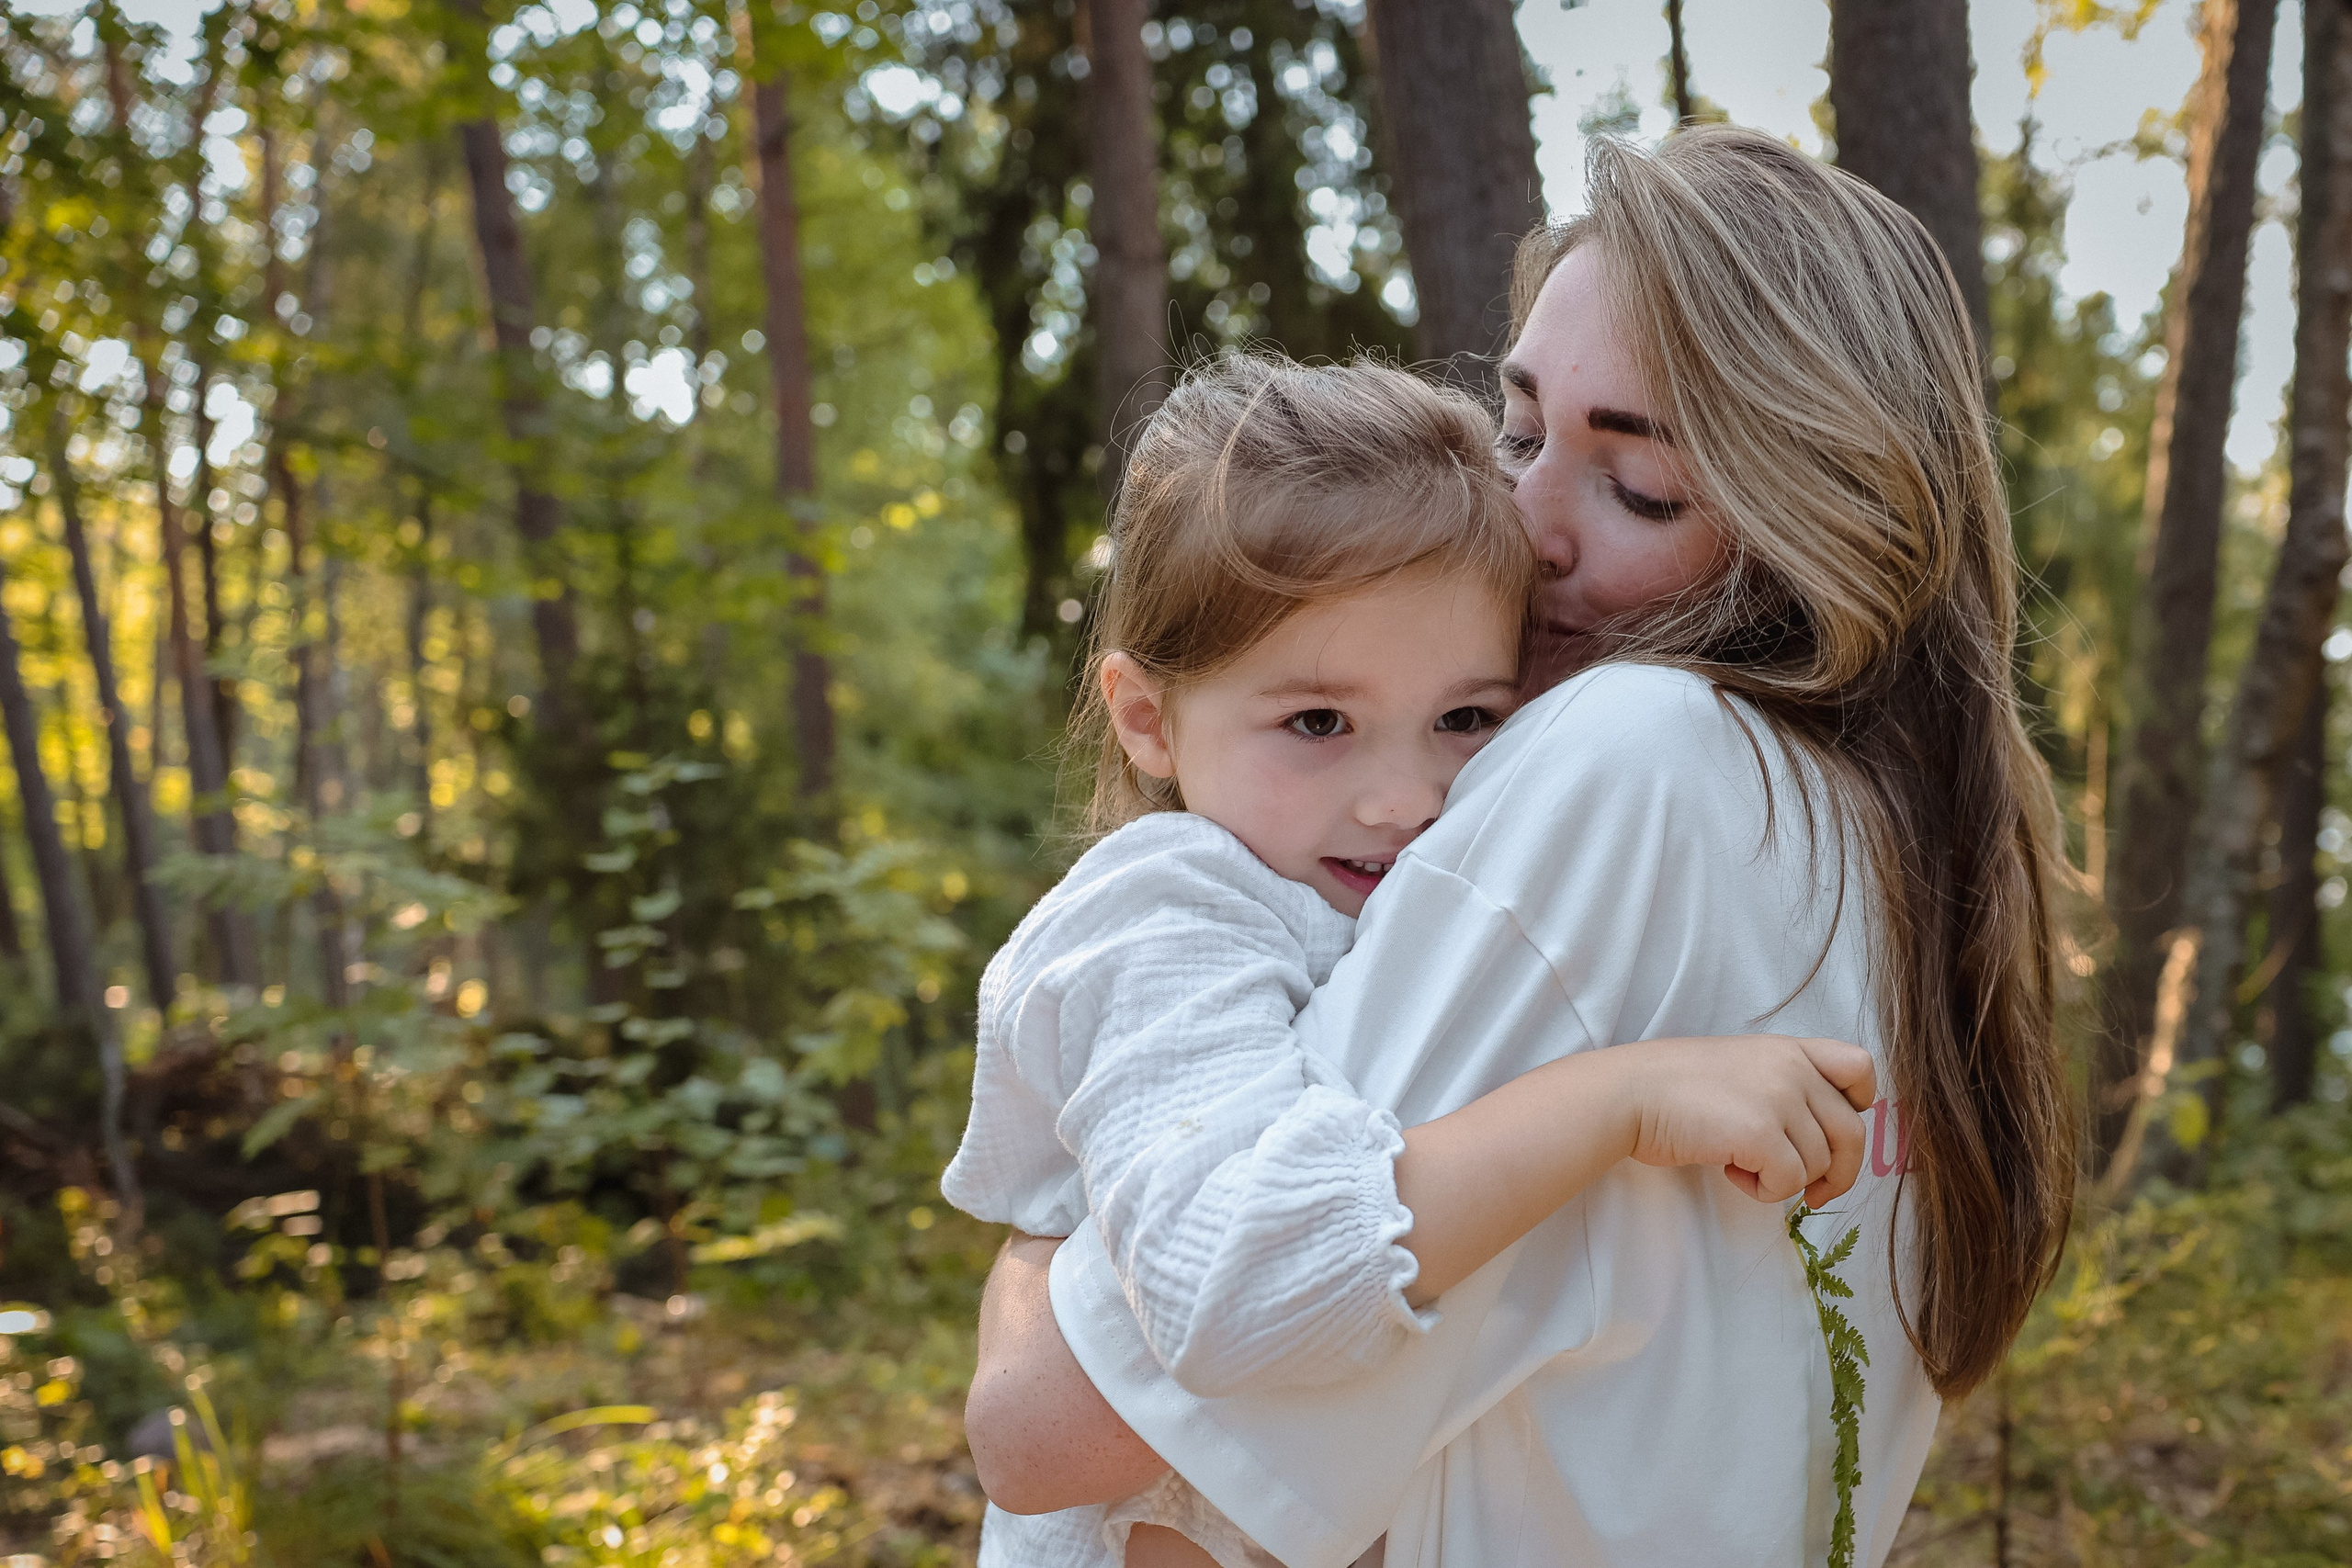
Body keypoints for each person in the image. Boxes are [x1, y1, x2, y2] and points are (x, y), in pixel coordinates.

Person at [964, 127, 2076, 1568]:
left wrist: (1037, 1250)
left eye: (1642, 488)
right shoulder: (1882, 850)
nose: (1521, 524)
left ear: (1829, 524)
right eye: (1524, 430)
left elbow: (1049, 1427)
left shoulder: (1633, 762)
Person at [942, 355, 1878, 1567]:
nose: (1405, 799)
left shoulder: (1362, 889)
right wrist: (1618, 1099)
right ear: (1146, 719)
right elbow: (1243, 1280)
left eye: (1466, 720)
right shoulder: (1162, 919)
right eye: (1318, 723)